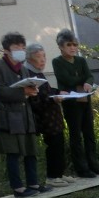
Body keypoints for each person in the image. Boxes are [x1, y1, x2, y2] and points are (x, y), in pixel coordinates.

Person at [0, 32, 49, 198]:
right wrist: (21, 91)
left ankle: (33, 183)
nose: (21, 50)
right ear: (7, 50)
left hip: (24, 114)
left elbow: (26, 90)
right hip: (7, 116)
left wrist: (32, 90)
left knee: (30, 150)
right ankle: (18, 187)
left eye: (23, 47)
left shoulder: (23, 68)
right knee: (13, 152)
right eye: (17, 47)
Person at [52, 29, 99, 177]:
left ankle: (94, 164)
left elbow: (89, 76)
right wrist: (83, 80)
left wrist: (87, 81)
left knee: (89, 133)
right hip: (70, 102)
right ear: (61, 46)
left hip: (84, 98)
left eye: (75, 44)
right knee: (75, 135)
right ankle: (81, 168)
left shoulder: (81, 60)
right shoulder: (57, 61)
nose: (73, 48)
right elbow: (66, 80)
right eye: (69, 45)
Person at [23, 43, 72, 185]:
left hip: (53, 116)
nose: (43, 60)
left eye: (44, 56)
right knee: (53, 145)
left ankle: (60, 174)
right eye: (39, 57)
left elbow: (47, 90)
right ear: (30, 59)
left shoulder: (38, 72)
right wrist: (54, 98)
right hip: (44, 117)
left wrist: (58, 92)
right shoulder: (29, 73)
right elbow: (36, 97)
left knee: (59, 143)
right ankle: (52, 177)